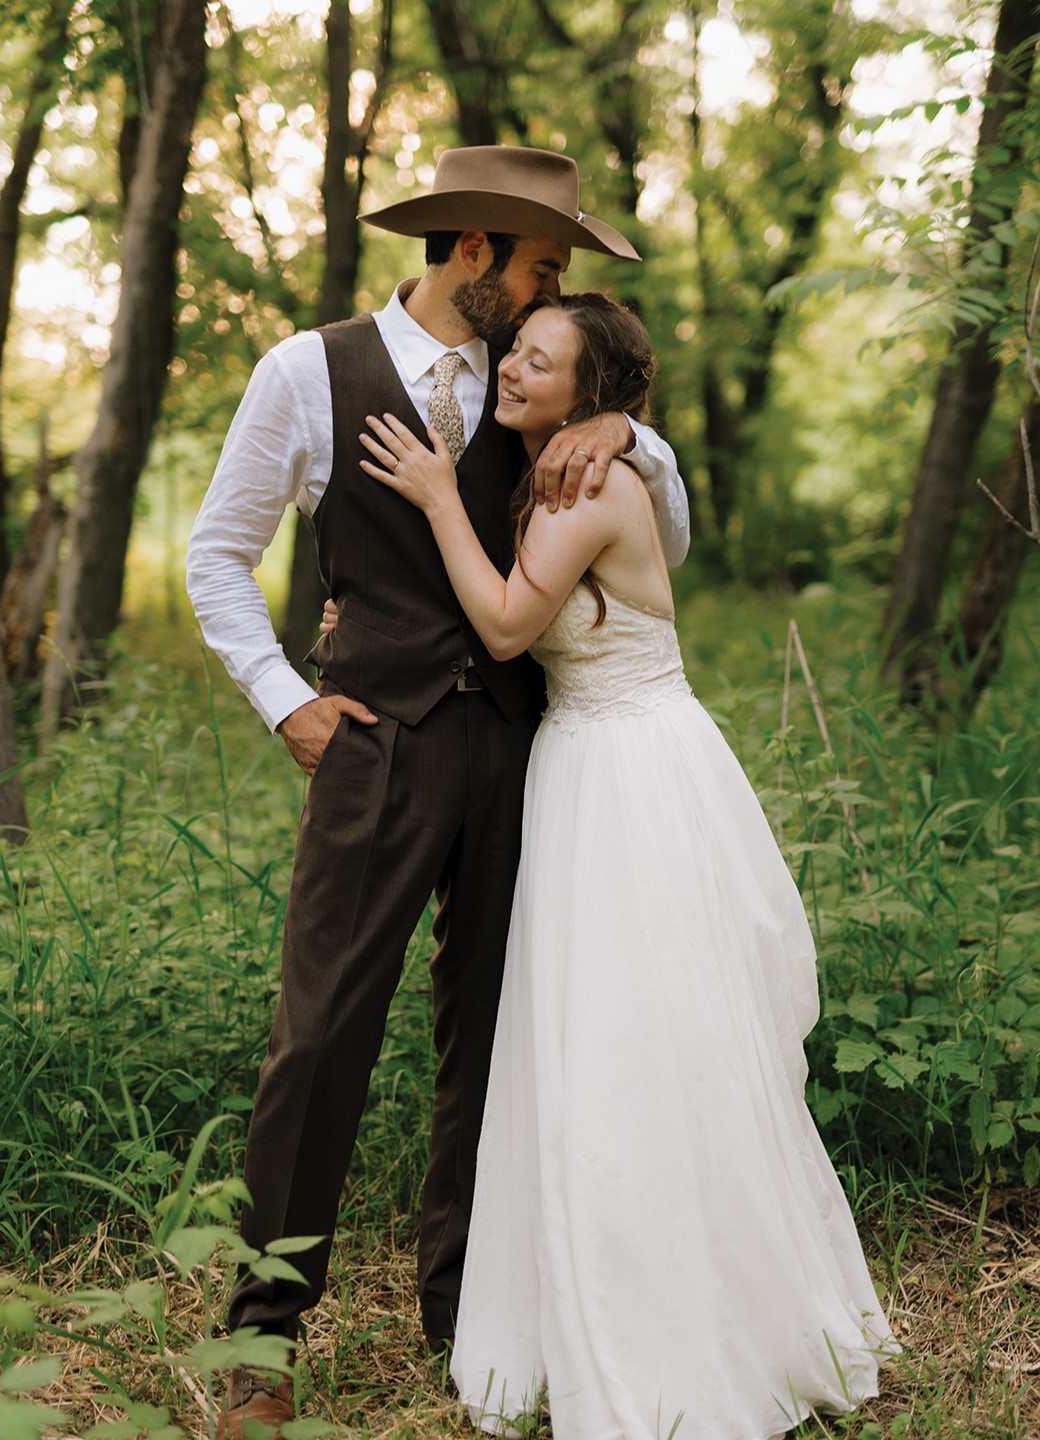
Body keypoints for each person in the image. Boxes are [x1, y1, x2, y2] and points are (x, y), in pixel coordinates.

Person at [185, 146, 689, 1439]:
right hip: (375, 748)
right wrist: (283, 697)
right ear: (474, 253)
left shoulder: (555, 405)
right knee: (321, 1039)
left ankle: (466, 1322)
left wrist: (631, 430)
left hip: (532, 747)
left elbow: (661, 519)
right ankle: (261, 1339)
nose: (548, 296)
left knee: (497, 1039)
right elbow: (217, 554)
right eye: (540, 268)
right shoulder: (309, 371)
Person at [359, 292, 897, 1440]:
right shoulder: (579, 462)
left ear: (588, 397)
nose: (513, 368)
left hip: (627, 774)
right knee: (602, 1041)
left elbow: (508, 625)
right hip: (603, 763)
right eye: (517, 350)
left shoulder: (595, 479)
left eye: (540, 363)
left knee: (639, 1044)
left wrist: (437, 498)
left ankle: (681, 1328)